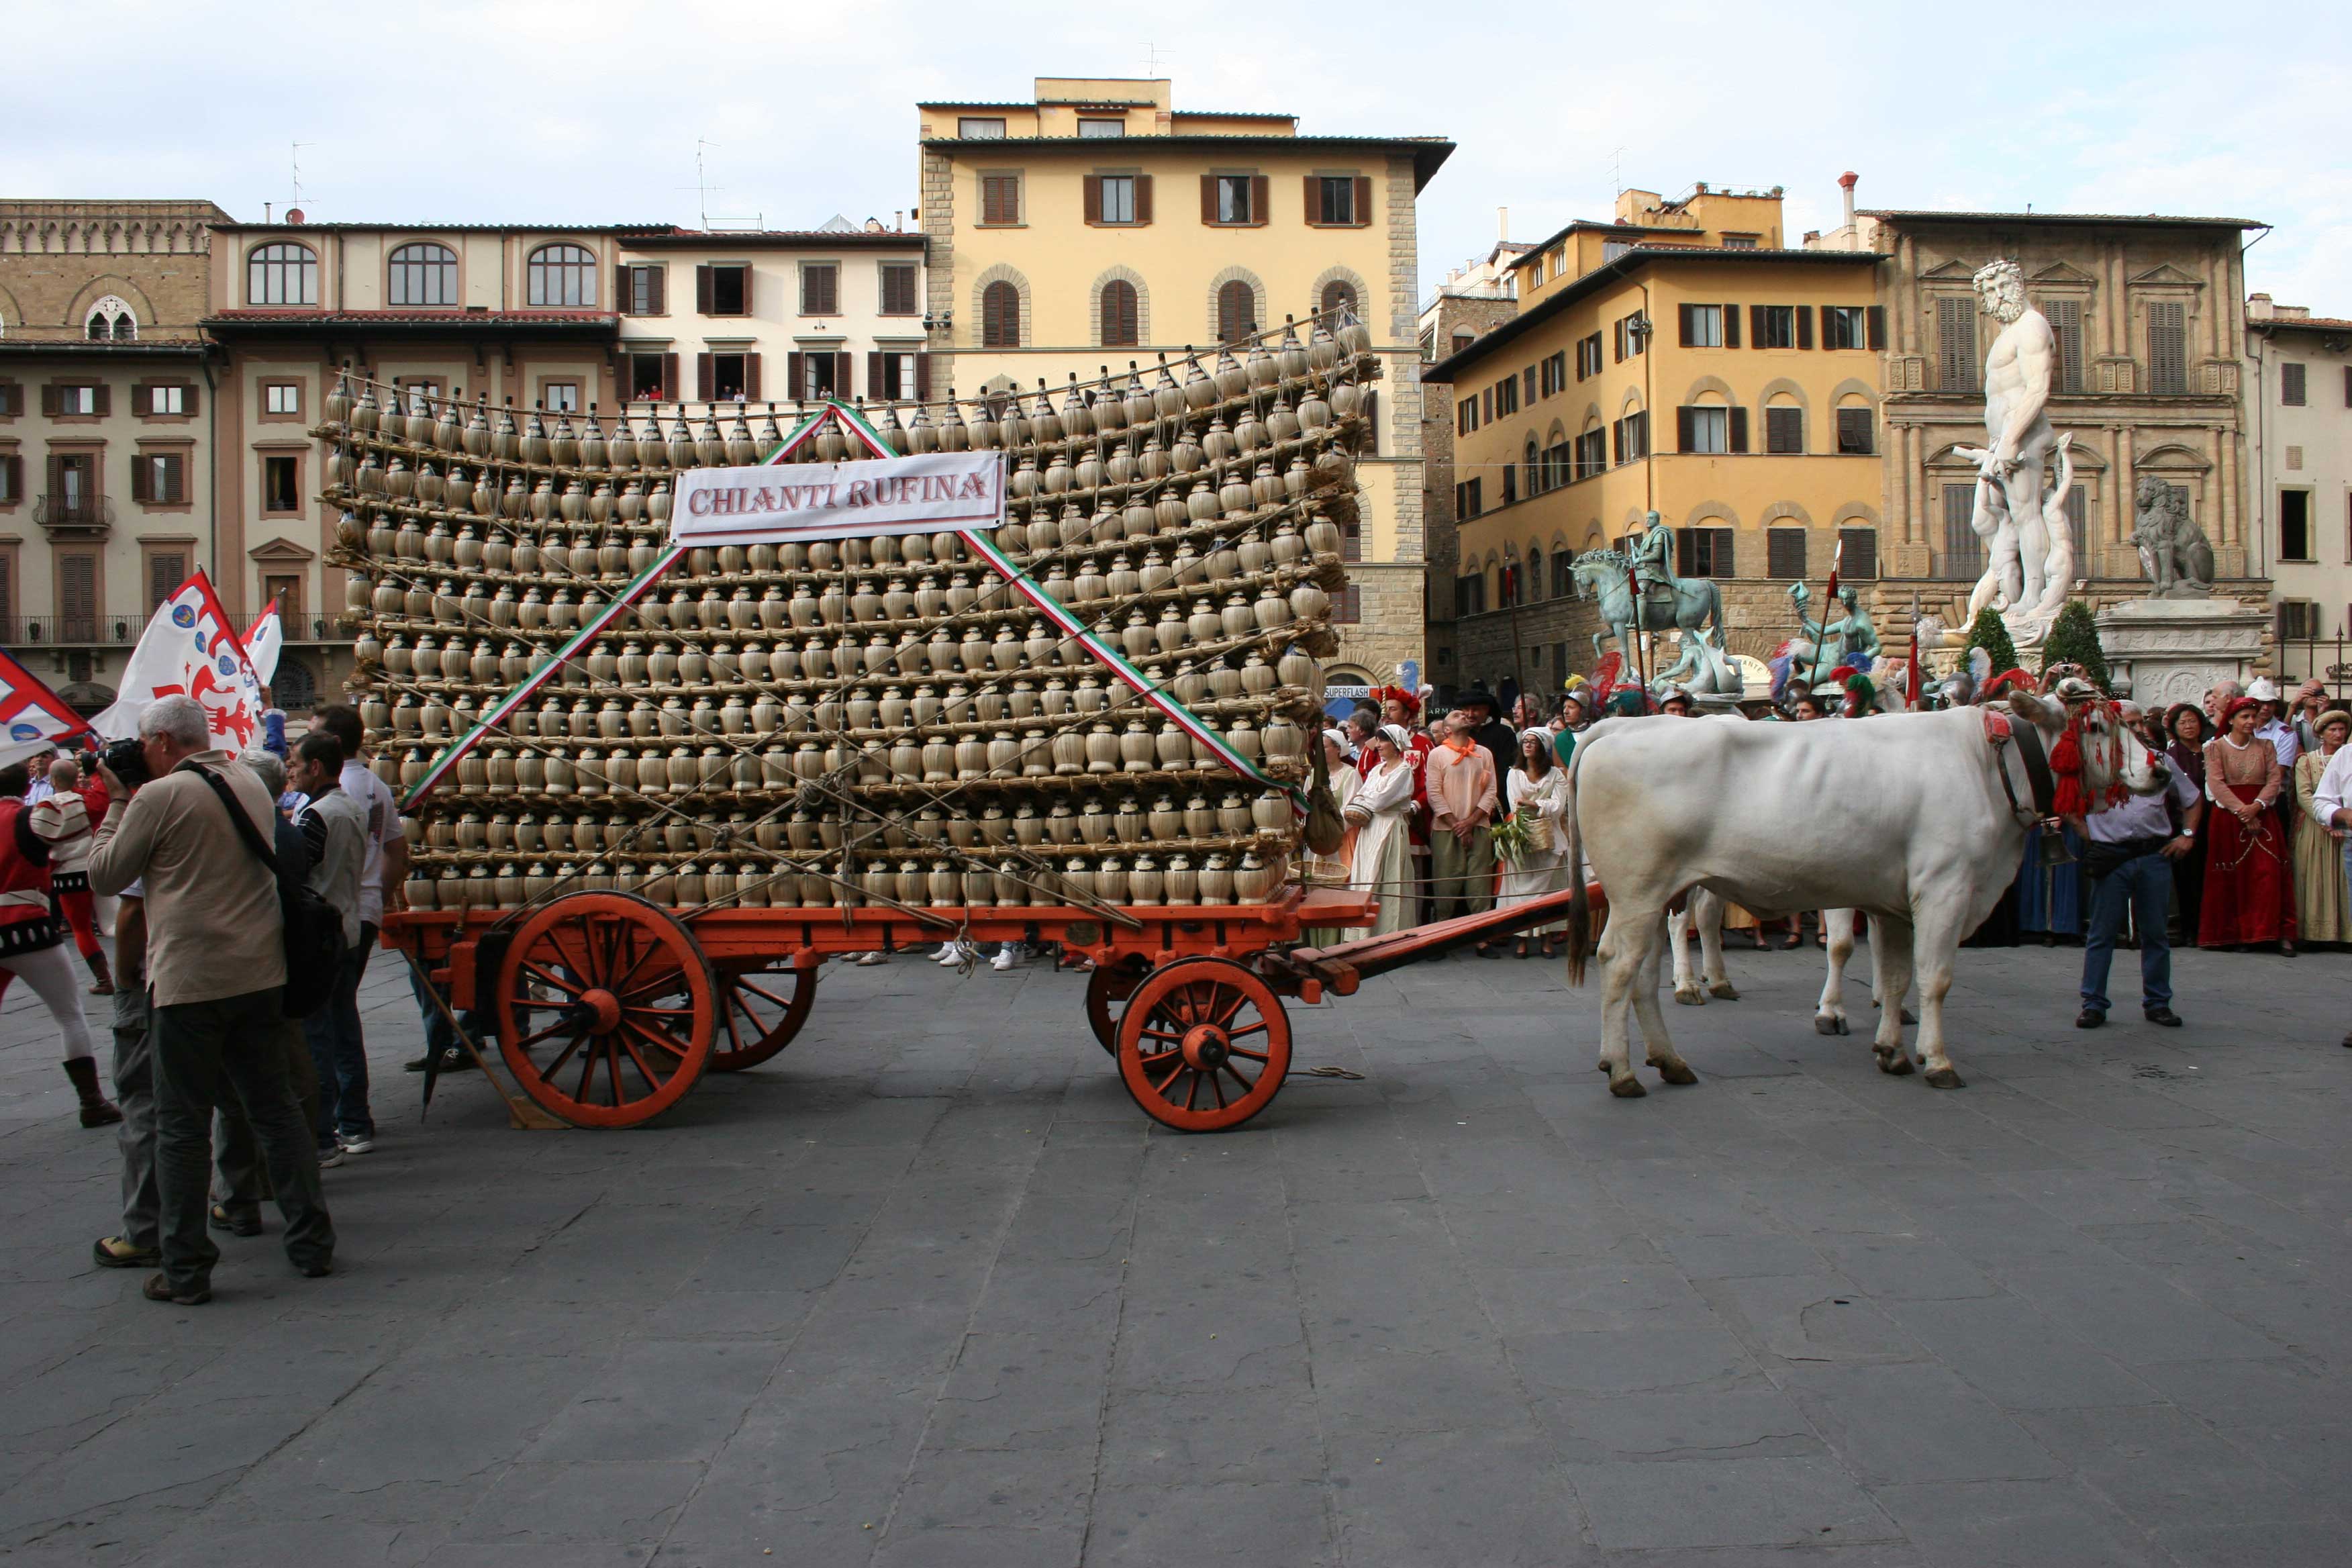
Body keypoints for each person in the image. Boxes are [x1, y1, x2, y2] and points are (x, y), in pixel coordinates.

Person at [88, 695, 334, 1304]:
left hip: (190, 984)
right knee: (274, 1112)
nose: (140, 754)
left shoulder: (158, 795)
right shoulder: (249, 780)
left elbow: (104, 875)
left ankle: (186, 1266)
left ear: (165, 743)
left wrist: (120, 798)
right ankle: (311, 1243)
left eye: (145, 744)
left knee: (181, 1126)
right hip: (259, 973)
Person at [209, 748, 327, 1229]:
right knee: (291, 1085)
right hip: (280, 969)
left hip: (247, 971)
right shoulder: (288, 832)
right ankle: (296, 1196)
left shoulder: (248, 832)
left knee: (241, 1094)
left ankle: (247, 1194)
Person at [0, 761, 120, 1128]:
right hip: (28, 926)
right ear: (25, 787)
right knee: (68, 1014)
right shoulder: (28, 818)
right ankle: (92, 1102)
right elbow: (85, 813)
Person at [313, 707, 430, 1075]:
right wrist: (376, 899)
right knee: (342, 1009)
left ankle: (347, 1115)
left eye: (312, 734)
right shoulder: (376, 786)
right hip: (363, 907)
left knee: (333, 1016)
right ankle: (349, 1113)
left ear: (331, 743)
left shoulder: (330, 794)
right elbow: (397, 853)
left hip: (334, 912)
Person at [2073, 731, 2202, 1030]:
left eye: (2135, 725)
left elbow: (2193, 799)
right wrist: (2084, 830)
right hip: (2112, 855)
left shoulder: (2161, 762)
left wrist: (2187, 836)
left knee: (2156, 933)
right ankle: (2093, 1004)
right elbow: (2066, 800)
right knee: (2101, 934)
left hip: (2152, 854)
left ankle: (2158, 1002)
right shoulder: (2095, 764)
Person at [288, 734, 373, 1160]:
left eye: (296, 763)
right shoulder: (351, 807)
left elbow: (300, 871)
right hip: (348, 925)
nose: (291, 770)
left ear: (315, 767)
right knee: (344, 1030)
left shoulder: (317, 815)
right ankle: (355, 1122)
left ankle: (323, 1135)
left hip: (321, 932)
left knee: (317, 1038)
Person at [2199, 695, 2295, 955]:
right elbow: (2216, 783)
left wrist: (2257, 807)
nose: (2251, 721)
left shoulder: (2266, 746)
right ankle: (2236, 933)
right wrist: (2243, 811)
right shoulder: (2215, 748)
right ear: (2230, 719)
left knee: (2268, 873)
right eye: (2245, 716)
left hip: (2263, 813)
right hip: (2228, 816)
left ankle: (2275, 932)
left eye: (2254, 716)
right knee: (2232, 876)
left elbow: (2274, 780)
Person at [30, 756, 114, 995]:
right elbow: (103, 793)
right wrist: (96, 770)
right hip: (96, 867)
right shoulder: (87, 801)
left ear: (53, 780)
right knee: (115, 920)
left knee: (81, 929)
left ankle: (104, 980)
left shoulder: (46, 807)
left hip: (67, 875)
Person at [1425, 708, 1500, 939]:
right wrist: (1457, 825)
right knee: (1445, 884)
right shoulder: (1437, 755)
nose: (1464, 716)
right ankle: (1441, 937)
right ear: (1447, 729)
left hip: (1478, 827)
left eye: (1465, 715)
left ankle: (1482, 939)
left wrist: (1471, 822)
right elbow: (1434, 794)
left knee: (1479, 884)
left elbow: (1491, 790)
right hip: (1447, 829)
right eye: (1457, 715)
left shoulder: (1484, 753)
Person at [1499, 728, 1571, 958]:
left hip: (1550, 839)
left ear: (1543, 747)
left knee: (1550, 893)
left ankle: (1547, 938)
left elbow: (1558, 807)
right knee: (1520, 892)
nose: (1528, 745)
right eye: (1525, 742)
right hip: (1522, 839)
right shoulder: (1514, 774)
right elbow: (1514, 805)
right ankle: (1521, 938)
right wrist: (1539, 805)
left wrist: (1534, 804)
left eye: (1533, 742)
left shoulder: (1556, 776)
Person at [1344, 725, 1417, 936]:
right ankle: (1362, 931)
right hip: (1370, 828)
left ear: (1396, 745)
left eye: (1382, 742)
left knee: (1388, 878)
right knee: (1366, 874)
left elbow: (1379, 802)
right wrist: (1368, 798)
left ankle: (1386, 932)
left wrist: (1368, 798)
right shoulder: (1377, 769)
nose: (1378, 746)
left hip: (1389, 828)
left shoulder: (1403, 771)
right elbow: (1360, 796)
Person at [2290, 709, 2351, 946]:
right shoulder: (2309, 760)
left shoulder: (2344, 754)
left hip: (2344, 831)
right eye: (2332, 730)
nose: (2338, 733)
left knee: (2342, 881)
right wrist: (2332, 819)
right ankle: (2316, 934)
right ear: (2322, 735)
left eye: (2341, 729)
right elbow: (2308, 797)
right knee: (2316, 877)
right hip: (2318, 828)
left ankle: (2345, 934)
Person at [2161, 703, 2214, 944]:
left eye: (2192, 721)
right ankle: (2189, 928)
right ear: (2174, 727)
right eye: (2183, 722)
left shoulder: (2210, 751)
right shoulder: (2172, 757)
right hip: (2183, 821)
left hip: (2212, 820)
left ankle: (2209, 927)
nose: (2189, 726)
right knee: (2187, 876)